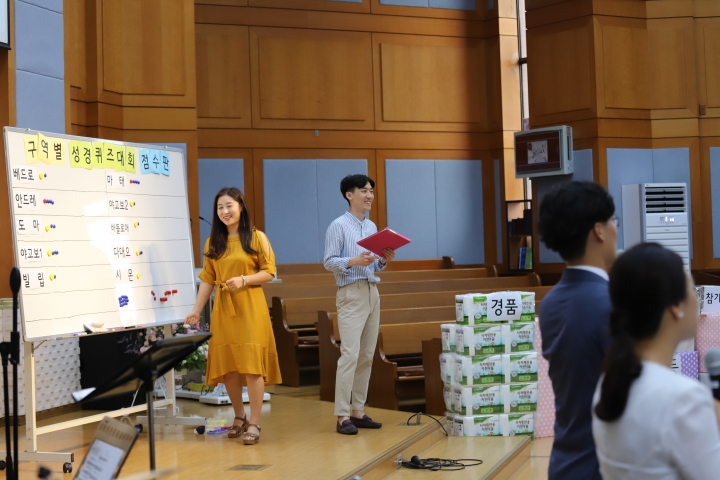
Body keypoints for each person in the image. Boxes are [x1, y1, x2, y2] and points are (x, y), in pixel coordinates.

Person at [592, 243, 720, 479]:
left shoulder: (607, 385)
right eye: (693, 290)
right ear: (676, 307)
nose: (697, 299)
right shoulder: (683, 397)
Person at [185, 187, 281, 445]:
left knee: (251, 367)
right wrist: (196, 310)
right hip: (223, 310)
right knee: (228, 367)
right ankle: (239, 416)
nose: (225, 211)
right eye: (220, 207)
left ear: (240, 207)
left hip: (250, 307)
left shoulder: (257, 237)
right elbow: (208, 278)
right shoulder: (212, 242)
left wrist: (244, 280)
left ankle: (255, 422)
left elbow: (269, 271)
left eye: (229, 206)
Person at [537, 181, 618, 480]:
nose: (615, 229)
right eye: (613, 221)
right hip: (605, 464)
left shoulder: (551, 301)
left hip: (566, 460)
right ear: (599, 230)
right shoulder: (611, 302)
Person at [324, 174, 395, 435]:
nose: (369, 196)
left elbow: (373, 265)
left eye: (371, 191)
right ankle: (342, 415)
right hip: (351, 293)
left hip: (372, 291)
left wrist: (383, 260)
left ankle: (358, 411)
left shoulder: (372, 226)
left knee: (366, 355)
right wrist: (353, 261)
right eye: (364, 191)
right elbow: (329, 261)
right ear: (349, 194)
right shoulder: (338, 225)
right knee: (350, 355)